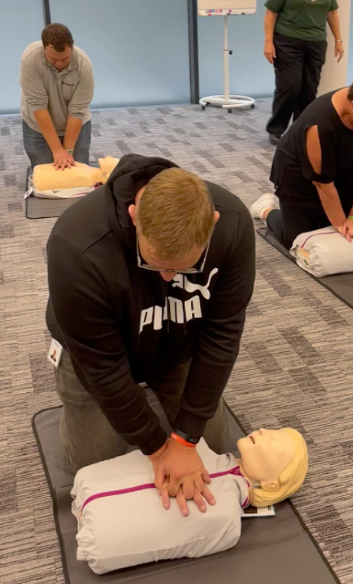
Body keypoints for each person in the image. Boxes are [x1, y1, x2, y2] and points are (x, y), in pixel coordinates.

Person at [46, 154, 255, 517]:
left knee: (215, 446)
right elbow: (105, 369)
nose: (168, 279)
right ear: (133, 217)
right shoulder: (75, 245)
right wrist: (159, 449)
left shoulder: (233, 224)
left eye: (183, 267)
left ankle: (162, 404)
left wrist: (186, 439)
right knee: (92, 465)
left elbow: (222, 337)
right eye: (156, 264)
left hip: (175, 341)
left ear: (214, 225)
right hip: (96, 353)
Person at [72, 427, 308, 574]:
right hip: (88, 483)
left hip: (99, 535)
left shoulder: (226, 521)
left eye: (275, 442)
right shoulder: (200, 447)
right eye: (272, 430)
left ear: (272, 485)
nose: (264, 430)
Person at [250, 71, 353, 249]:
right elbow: (323, 185)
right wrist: (340, 227)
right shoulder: (320, 124)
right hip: (298, 172)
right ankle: (266, 209)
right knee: (298, 240)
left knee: (330, 227)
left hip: (349, 164)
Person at [264, 0, 344, 145]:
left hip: (316, 42)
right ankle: (276, 128)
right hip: (288, 40)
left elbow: (332, 12)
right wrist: (268, 42)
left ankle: (301, 128)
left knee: (309, 88)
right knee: (289, 86)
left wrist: (338, 39)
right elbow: (271, 12)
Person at [20, 23, 94, 170]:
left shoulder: (83, 66)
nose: (59, 63)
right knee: (46, 175)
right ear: (44, 48)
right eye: (53, 59)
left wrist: (66, 152)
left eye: (65, 58)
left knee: (77, 173)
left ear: (72, 48)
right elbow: (39, 106)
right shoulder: (30, 59)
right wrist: (56, 150)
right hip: (38, 126)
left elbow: (77, 112)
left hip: (75, 124)